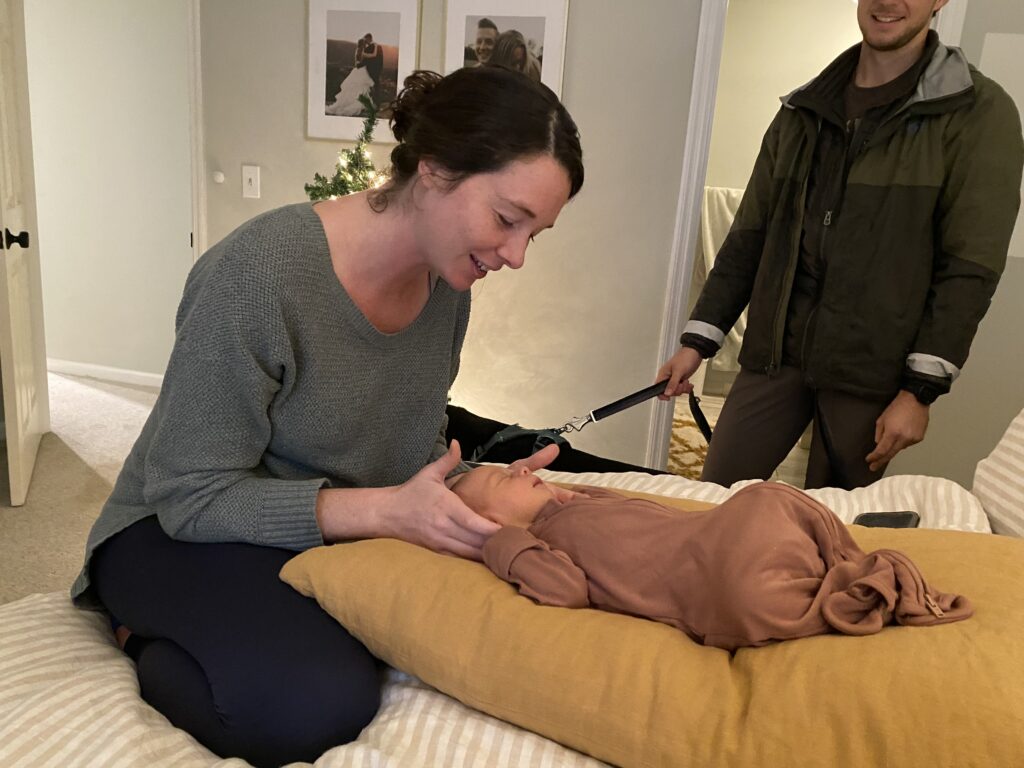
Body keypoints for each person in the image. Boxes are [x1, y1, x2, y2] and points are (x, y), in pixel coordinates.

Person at [71, 66, 584, 768]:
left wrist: (470, 482)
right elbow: (190, 495)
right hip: (171, 530)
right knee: (317, 705)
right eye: (508, 219)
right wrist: (384, 514)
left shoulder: (449, 289)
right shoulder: (259, 275)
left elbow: (404, 444)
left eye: (538, 234)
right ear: (432, 171)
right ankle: (140, 636)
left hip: (299, 537)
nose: (518, 255)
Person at [657, 0, 1023, 490]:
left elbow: (970, 269)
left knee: (835, 532)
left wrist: (920, 392)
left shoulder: (979, 112)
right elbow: (750, 235)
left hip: (873, 372)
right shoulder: (802, 108)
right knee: (714, 500)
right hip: (775, 355)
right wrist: (697, 342)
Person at [450, 461, 972, 651]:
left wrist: (556, 491)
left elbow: (648, 514)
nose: (521, 471)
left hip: (726, 559)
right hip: (720, 591)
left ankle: (848, 560)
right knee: (765, 504)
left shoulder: (570, 507)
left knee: (764, 500)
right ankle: (855, 566)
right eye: (504, 478)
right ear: (492, 522)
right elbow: (564, 591)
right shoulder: (532, 546)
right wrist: (499, 543)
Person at [325, 38, 374, 116]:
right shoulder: (362, 51)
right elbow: (360, 62)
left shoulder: (357, 50)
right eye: (365, 44)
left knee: (357, 88)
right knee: (360, 87)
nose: (366, 45)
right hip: (361, 70)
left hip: (358, 69)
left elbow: (356, 62)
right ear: (363, 44)